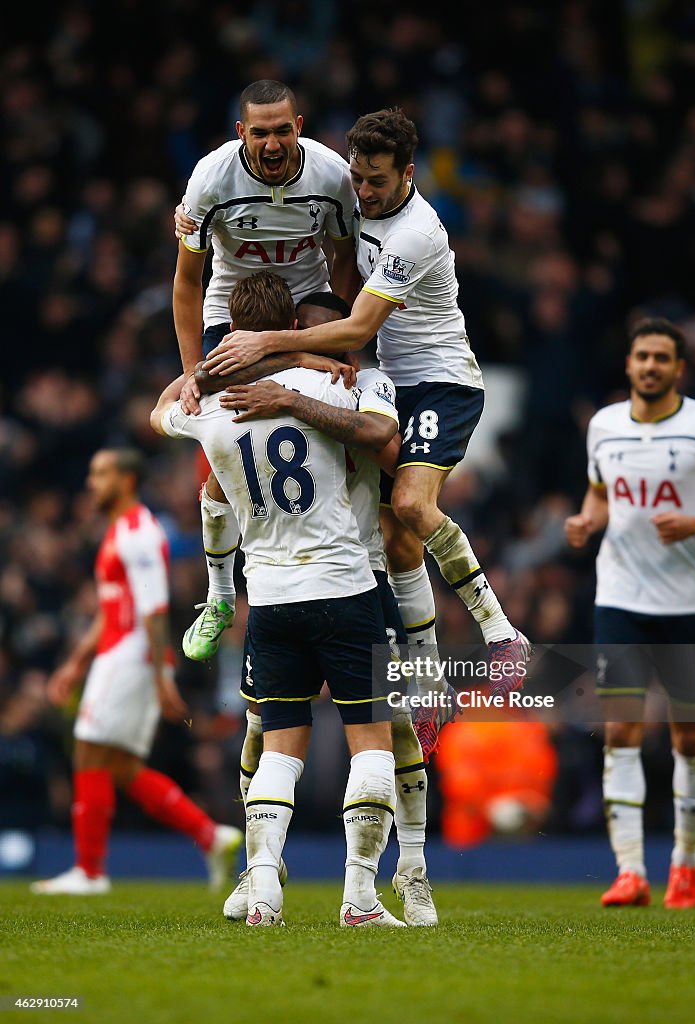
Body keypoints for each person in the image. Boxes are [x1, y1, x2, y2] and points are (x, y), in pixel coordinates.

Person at [200, 107, 531, 735]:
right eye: (358, 176)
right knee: (391, 536)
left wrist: (268, 343)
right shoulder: (358, 200)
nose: (365, 189)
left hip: (442, 382)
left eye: (378, 179)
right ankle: (429, 686)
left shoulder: (418, 233)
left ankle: (501, 632)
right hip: (393, 382)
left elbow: (357, 324)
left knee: (408, 504)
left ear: (408, 174)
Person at [151, 272, 405, 927]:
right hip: (345, 587)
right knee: (371, 744)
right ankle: (359, 898)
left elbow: (159, 413)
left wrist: (204, 372)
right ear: (291, 325)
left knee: (277, 751)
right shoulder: (333, 383)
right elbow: (382, 440)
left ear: (231, 331)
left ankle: (263, 894)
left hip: (267, 599)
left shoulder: (208, 407)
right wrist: (298, 359)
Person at [564, 317, 695, 909]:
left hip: (687, 606)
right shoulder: (604, 426)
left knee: (688, 741)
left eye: (661, 358)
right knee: (622, 733)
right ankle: (630, 872)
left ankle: (686, 860)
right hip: (619, 600)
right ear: (628, 365)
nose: (650, 366)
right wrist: (586, 520)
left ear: (680, 368)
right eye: (641, 357)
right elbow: (600, 492)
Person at [172, 78, 360, 659]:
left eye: (283, 130)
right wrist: (191, 375)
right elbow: (187, 281)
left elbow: (346, 259)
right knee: (220, 455)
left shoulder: (331, 176)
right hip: (235, 305)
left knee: (335, 420)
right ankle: (221, 596)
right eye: (260, 133)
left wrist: (337, 340)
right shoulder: (211, 179)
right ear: (242, 134)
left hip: (308, 301)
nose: (273, 144)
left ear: (298, 127)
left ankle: (361, 561)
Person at [31, 448, 243, 895]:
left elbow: (153, 607)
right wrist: (77, 660)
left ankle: (89, 872)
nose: (92, 483)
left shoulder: (139, 532)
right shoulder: (119, 530)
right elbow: (113, 607)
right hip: (120, 653)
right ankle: (210, 835)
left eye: (101, 473)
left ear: (127, 480)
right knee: (122, 767)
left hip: (130, 658)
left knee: (89, 752)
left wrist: (162, 672)